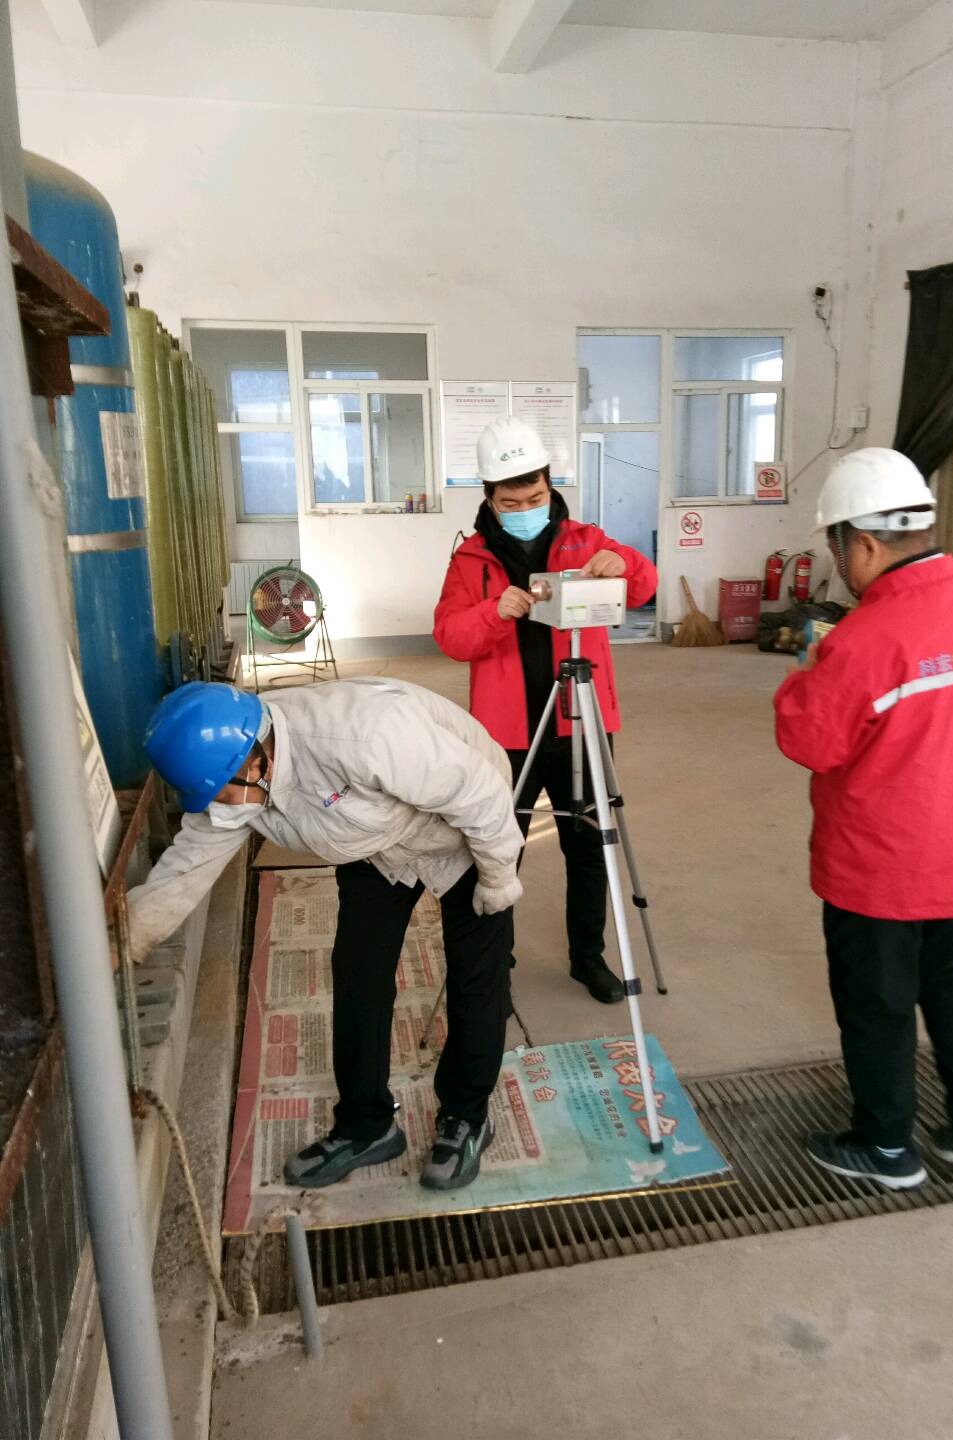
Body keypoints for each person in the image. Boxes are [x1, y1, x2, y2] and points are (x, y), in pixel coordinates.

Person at [773, 447, 953, 1190]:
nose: (839, 566)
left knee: (878, 1001)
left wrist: (808, 676)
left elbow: (812, 742)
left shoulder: (863, 640)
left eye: (837, 549)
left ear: (862, 544)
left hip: (883, 866)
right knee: (952, 976)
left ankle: (886, 1145)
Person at [129, 676, 523, 1192]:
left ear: (256, 761)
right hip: (377, 843)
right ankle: (366, 1125)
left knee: (477, 976)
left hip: (466, 827)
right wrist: (124, 940)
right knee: (359, 975)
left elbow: (480, 793)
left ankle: (467, 1116)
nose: (218, 806)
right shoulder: (234, 779)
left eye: (220, 792)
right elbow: (186, 866)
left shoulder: (365, 735)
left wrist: (498, 876)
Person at [434, 416, 658, 1004]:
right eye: (511, 502)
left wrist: (625, 565)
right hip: (505, 732)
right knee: (497, 849)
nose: (526, 509)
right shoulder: (471, 561)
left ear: (549, 484)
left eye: (534, 497)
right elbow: (450, 637)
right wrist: (494, 612)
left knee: (588, 847)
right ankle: (494, 964)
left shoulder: (586, 540)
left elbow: (643, 587)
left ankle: (588, 957)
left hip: (581, 720)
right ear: (489, 497)